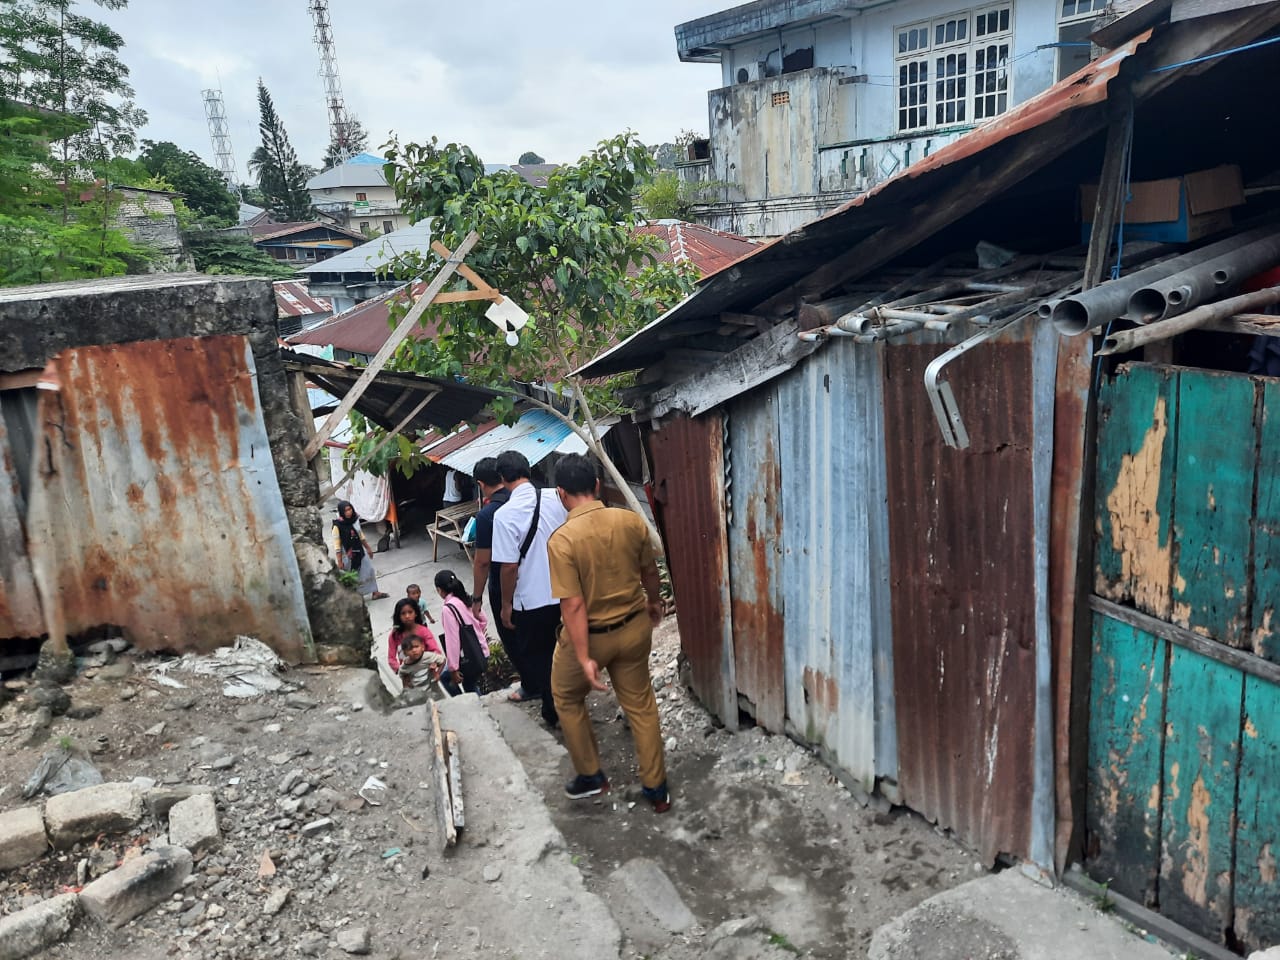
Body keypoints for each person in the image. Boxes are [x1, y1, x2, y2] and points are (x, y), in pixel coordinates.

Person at [546, 454, 670, 813]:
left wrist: (584, 658)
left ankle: (591, 777)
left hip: (591, 637)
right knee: (642, 706)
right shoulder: (630, 521)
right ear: (597, 486)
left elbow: (573, 606)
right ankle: (657, 789)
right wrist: (654, 601)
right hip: (634, 629)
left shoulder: (562, 540)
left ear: (560, 494)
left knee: (566, 697)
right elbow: (649, 570)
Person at [490, 450, 568, 727]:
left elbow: (508, 567)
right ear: (528, 469)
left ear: (502, 478)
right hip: (565, 592)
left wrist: (506, 605)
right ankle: (569, 701)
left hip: (531, 601)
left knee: (541, 656)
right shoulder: (556, 498)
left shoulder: (504, 515)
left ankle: (555, 709)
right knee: (566, 649)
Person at [469, 457, 532, 702]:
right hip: (537, 577)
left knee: (512, 637)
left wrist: (476, 598)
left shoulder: (487, 516)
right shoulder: (529, 498)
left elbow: (483, 561)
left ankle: (531, 684)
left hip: (504, 585)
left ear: (481, 483)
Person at [434, 570, 490, 695]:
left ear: (439, 590)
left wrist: (454, 668)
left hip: (468, 656)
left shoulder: (448, 609)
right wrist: (475, 633)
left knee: (449, 678)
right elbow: (483, 620)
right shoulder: (465, 597)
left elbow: (453, 640)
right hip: (481, 651)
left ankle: (465, 704)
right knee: (470, 683)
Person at [332, 500, 389, 600]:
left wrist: (368, 548)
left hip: (359, 550)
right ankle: (356, 597)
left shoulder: (355, 520)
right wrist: (340, 561)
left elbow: (360, 535)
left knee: (369, 569)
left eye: (349, 509)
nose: (348, 512)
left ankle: (375, 592)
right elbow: (337, 545)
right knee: (353, 574)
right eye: (345, 511)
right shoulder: (337, 526)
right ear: (341, 512)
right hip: (348, 554)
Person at [387, 597, 442, 676]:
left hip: (426, 673)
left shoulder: (423, 631)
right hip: (408, 676)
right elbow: (391, 658)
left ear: (416, 613)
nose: (407, 616)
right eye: (403, 613)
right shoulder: (395, 635)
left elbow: (435, 651)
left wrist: (433, 664)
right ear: (398, 616)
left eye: (410, 612)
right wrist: (401, 671)